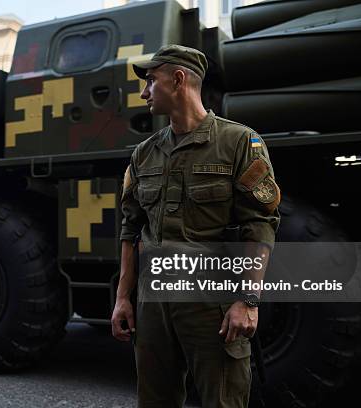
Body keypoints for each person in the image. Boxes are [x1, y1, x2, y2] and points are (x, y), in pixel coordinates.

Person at [111, 44, 280, 408]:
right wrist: (124, 298)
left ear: (178, 80)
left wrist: (248, 300)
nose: (143, 93)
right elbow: (131, 229)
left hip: (211, 304)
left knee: (222, 400)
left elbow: (259, 225)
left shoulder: (238, 143)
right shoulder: (144, 154)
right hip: (154, 304)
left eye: (150, 81)